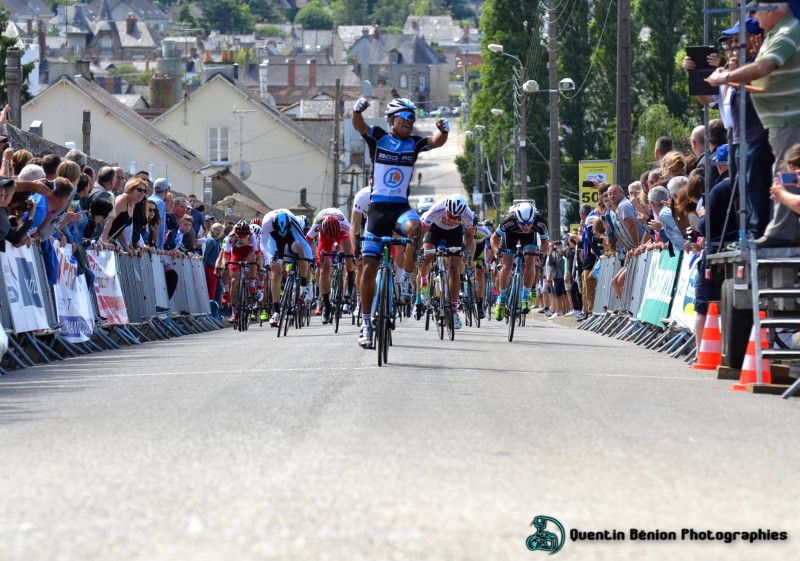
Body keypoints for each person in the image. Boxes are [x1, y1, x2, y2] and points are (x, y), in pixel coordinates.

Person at [351, 96, 449, 347]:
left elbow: (436, 142)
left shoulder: (413, 144)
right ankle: (366, 323)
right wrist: (357, 111)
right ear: (391, 120)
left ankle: (405, 279)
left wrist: (444, 131)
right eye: (405, 117)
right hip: (377, 212)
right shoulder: (379, 137)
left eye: (412, 118)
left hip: (400, 209)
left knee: (416, 228)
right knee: (369, 267)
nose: (409, 122)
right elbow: (360, 126)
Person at [707, 1, 800, 247]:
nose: (755, 18)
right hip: (780, 120)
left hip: (788, 118)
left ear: (771, 8)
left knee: (785, 175)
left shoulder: (788, 30)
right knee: (785, 175)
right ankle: (785, 231)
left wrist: (725, 76)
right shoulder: (778, 33)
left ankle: (780, 233)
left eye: (756, 12)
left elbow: (763, 67)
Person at [417, 193, 476, 329]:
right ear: (446, 209)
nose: (451, 219)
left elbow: (469, 235)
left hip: (454, 233)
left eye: (456, 218)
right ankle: (424, 283)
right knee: (428, 257)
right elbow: (422, 231)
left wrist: (466, 251)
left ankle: (454, 311)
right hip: (434, 230)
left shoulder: (468, 215)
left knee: (454, 268)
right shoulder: (437, 208)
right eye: (450, 215)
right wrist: (419, 248)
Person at [489, 202, 549, 320]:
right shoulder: (509, 220)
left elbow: (545, 242)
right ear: (517, 219)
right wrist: (497, 252)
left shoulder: (540, 222)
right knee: (507, 265)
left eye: (529, 224)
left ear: (533, 220)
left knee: (530, 260)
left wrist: (541, 254)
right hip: (510, 234)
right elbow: (494, 237)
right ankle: (501, 301)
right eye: (523, 224)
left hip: (529, 237)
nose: (526, 227)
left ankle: (525, 298)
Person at [259, 209, 315, 327]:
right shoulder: (267, 222)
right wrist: (269, 260)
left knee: (301, 252)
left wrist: (310, 262)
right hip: (274, 238)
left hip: (291, 235)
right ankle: (276, 311)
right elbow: (263, 244)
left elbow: (305, 244)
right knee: (276, 273)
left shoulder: (293, 221)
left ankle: (303, 284)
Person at [305, 208, 356, 324]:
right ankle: (326, 306)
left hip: (341, 233)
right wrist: (312, 257)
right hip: (325, 236)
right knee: (324, 269)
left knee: (349, 255)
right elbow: (307, 241)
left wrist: (354, 254)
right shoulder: (317, 225)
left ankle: (350, 283)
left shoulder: (344, 224)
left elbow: (353, 237)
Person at [216, 220, 261, 323]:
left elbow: (258, 256)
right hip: (236, 252)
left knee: (253, 258)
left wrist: (260, 267)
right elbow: (225, 256)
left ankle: (252, 284)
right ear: (236, 234)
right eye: (240, 236)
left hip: (248, 251)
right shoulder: (230, 237)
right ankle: (234, 311)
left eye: (245, 236)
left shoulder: (252, 237)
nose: (242, 239)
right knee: (234, 281)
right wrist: (226, 266)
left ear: (248, 234)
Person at [101, 178, 149, 253]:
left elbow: (121, 228)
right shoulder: (122, 200)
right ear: (131, 189)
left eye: (145, 191)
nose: (142, 193)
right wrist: (103, 240)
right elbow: (108, 221)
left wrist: (128, 247)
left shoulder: (132, 204)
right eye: (139, 190)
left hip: (111, 242)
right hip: (102, 242)